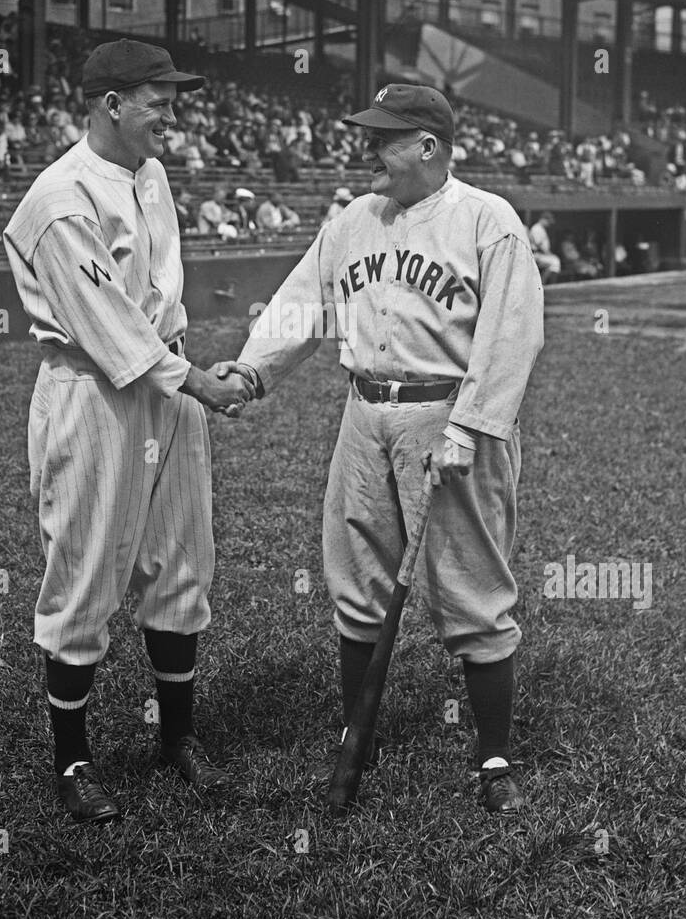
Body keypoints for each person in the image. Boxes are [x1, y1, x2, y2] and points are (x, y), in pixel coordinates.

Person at [219, 84, 544, 814]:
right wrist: (252, 369)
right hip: (364, 412)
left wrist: (468, 427)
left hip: (448, 416)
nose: (366, 150)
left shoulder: (486, 221)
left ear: (426, 146)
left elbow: (512, 333)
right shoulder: (354, 220)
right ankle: (354, 732)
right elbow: (304, 302)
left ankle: (492, 757)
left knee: (470, 585)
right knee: (356, 574)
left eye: (383, 139)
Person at [2, 39, 254, 827]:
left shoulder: (150, 174)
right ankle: (73, 761)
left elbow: (154, 301)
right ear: (111, 103)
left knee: (182, 563)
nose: (172, 116)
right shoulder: (57, 199)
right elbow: (108, 327)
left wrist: (183, 375)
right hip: (96, 391)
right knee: (83, 573)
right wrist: (199, 383)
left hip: (166, 382)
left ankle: (175, 737)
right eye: (159, 101)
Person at [527, 211, 561, 283]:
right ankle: (546, 284)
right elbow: (538, 245)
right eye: (548, 221)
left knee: (554, 261)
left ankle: (545, 284)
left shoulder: (540, 228)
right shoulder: (537, 228)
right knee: (555, 261)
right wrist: (548, 253)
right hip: (536, 254)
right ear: (543, 219)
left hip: (541, 254)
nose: (549, 224)